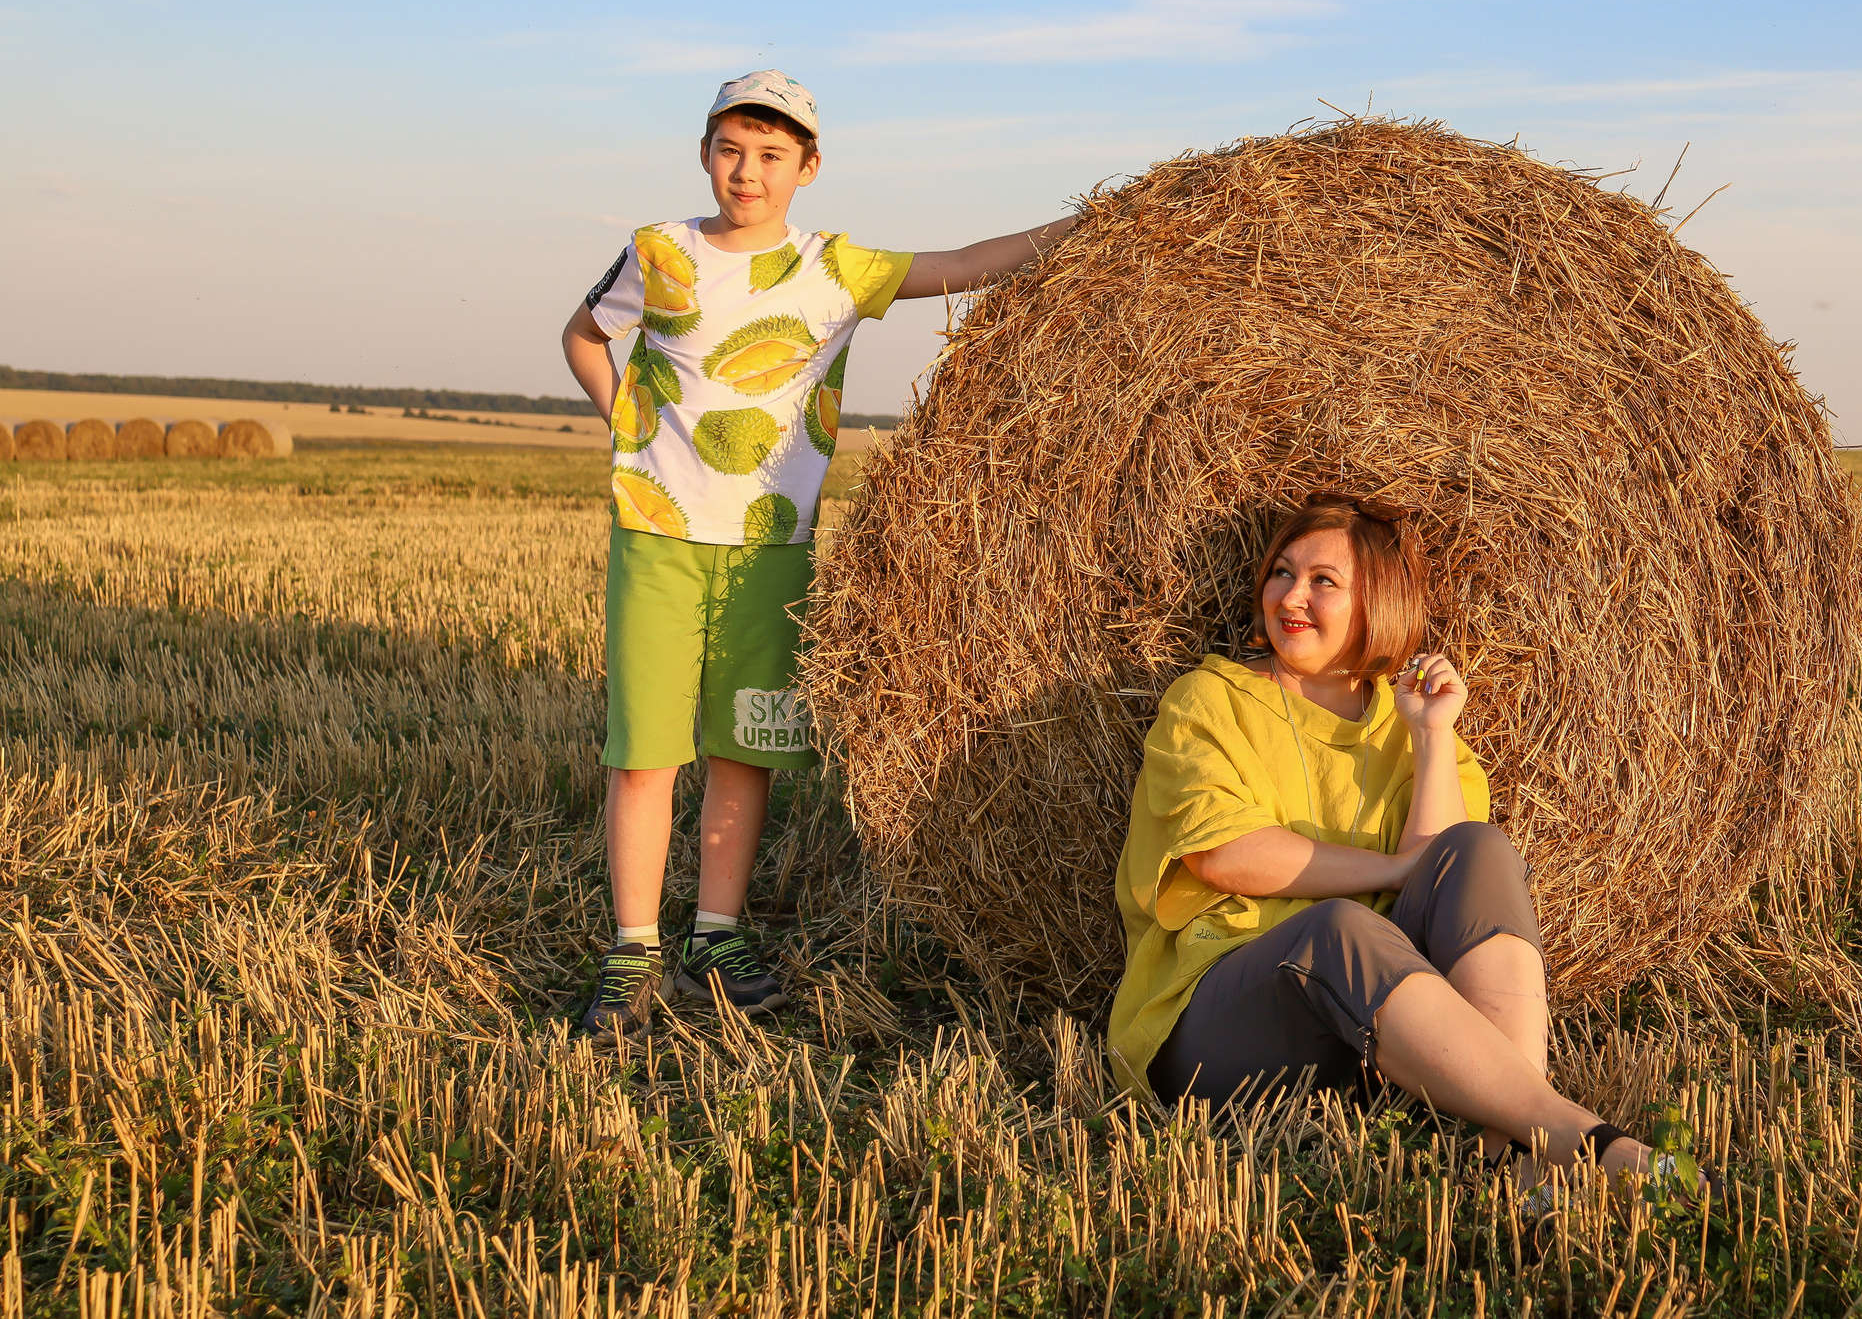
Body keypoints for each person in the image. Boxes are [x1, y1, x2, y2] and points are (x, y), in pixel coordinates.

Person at [561, 70, 1076, 1038]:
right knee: (644, 754)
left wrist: (1089, 225)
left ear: (808, 166)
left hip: (773, 548)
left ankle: (716, 935)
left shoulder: (834, 268)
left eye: (770, 155)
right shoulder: (659, 250)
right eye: (729, 150)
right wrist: (622, 427)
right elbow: (584, 336)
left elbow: (965, 262)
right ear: (704, 154)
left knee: (743, 748)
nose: (745, 172)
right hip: (658, 537)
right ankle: (632, 949)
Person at [1107, 493, 1686, 1193]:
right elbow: (1226, 854)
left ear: (1376, 604)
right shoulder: (1208, 700)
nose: (1291, 595)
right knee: (1338, 930)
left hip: (1370, 1040)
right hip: (1216, 1033)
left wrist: (1431, 735)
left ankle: (1510, 1153)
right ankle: (1576, 1137)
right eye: (1282, 572)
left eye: (1323, 580)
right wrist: (1389, 868)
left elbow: (1441, 871)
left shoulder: (1404, 724)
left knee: (1479, 848)